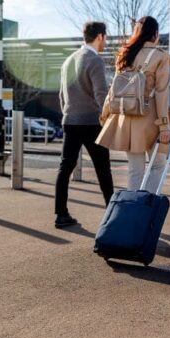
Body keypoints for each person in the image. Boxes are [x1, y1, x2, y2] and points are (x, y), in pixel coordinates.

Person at [97, 16, 170, 192]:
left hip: (126, 117)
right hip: (151, 118)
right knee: (157, 165)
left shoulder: (125, 53)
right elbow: (162, 92)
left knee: (135, 170)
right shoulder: (160, 56)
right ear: (155, 34)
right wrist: (164, 126)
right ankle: (145, 206)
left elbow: (114, 88)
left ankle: (132, 211)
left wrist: (105, 114)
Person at [54, 21, 114, 229]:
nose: (105, 41)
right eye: (105, 37)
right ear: (99, 36)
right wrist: (108, 117)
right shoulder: (94, 60)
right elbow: (101, 94)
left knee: (65, 167)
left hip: (70, 121)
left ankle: (61, 214)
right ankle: (112, 215)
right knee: (103, 169)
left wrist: (68, 114)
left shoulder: (68, 61)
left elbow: (62, 95)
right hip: (91, 122)